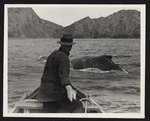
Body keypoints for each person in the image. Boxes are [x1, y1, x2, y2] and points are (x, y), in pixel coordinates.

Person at [37, 34, 84, 113]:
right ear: (70, 47)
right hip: (55, 95)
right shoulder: (64, 57)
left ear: (61, 44)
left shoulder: (52, 55)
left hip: (44, 94)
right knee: (78, 106)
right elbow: (63, 76)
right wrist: (69, 89)